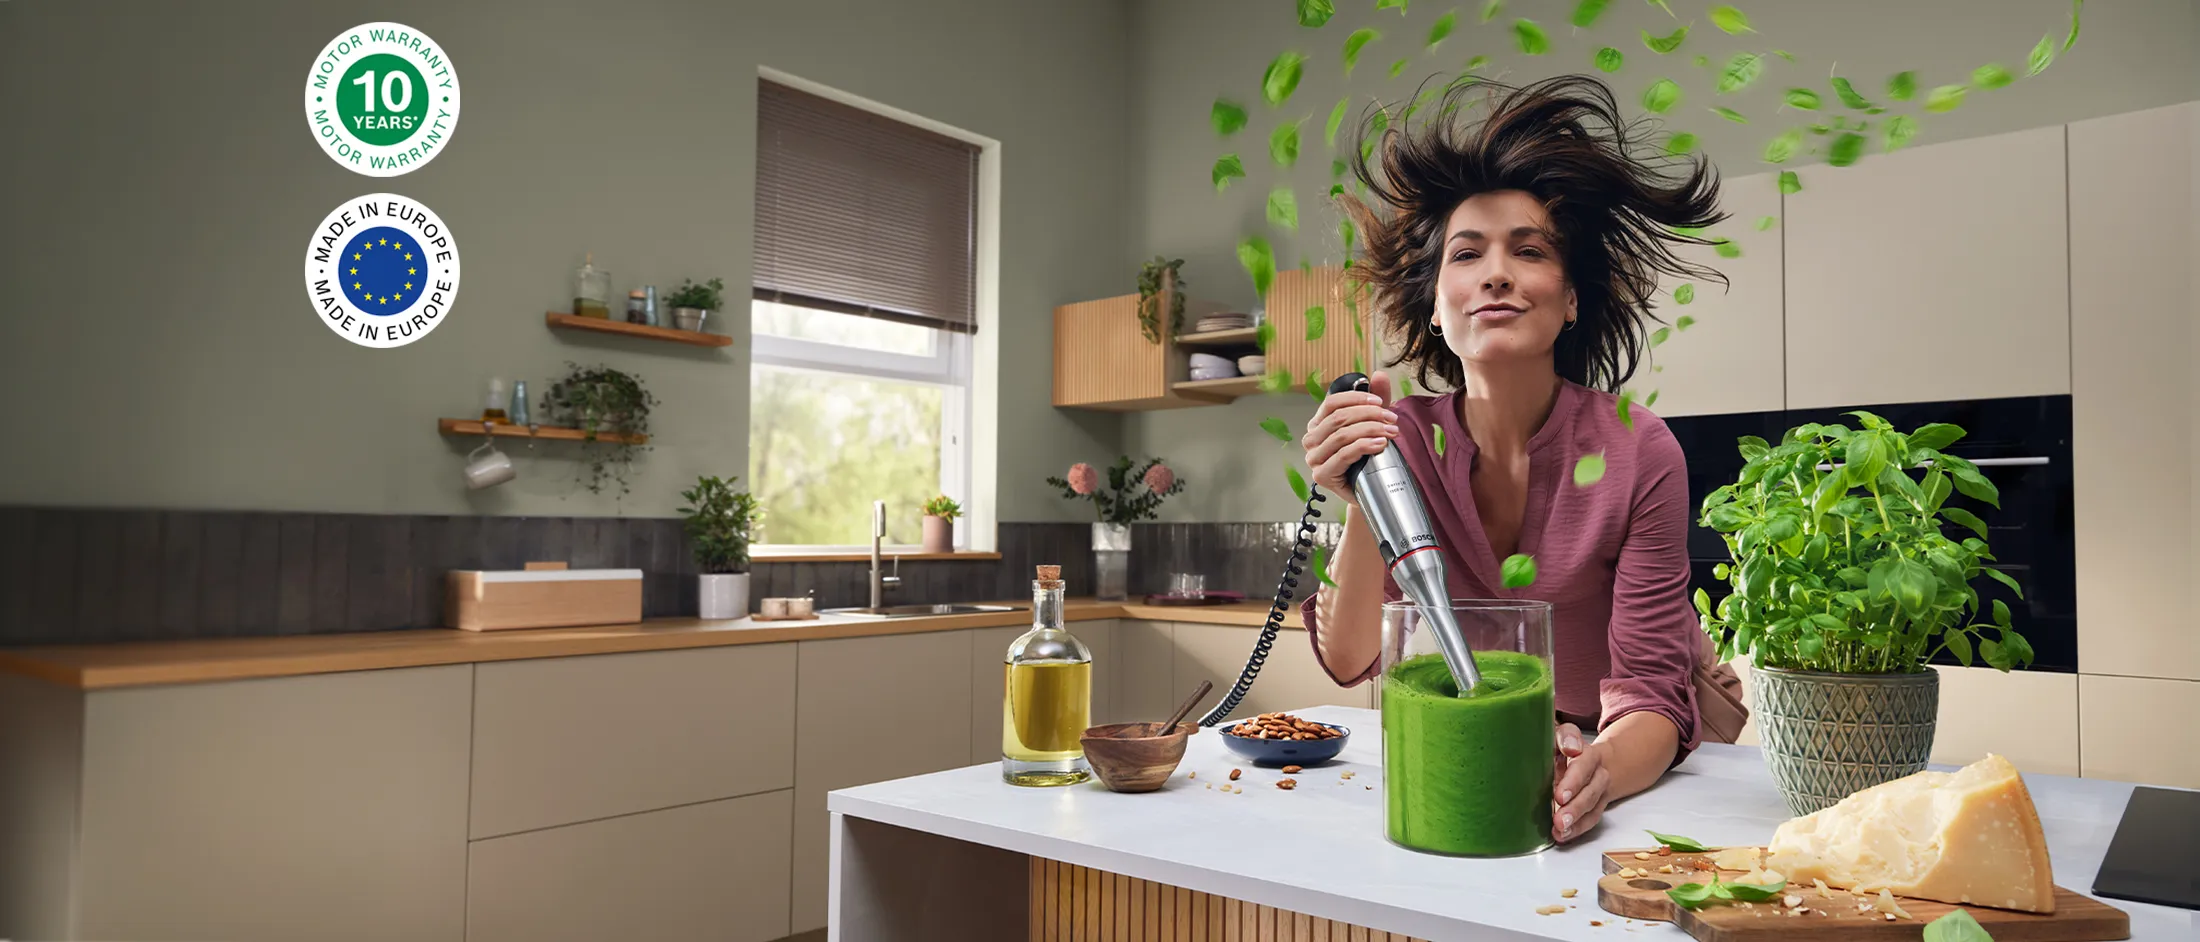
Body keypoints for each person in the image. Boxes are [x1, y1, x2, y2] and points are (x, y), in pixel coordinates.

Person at [1299, 74, 1748, 846]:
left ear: (1569, 297)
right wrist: (1359, 495)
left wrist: (1592, 767)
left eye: (1528, 251)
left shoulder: (1640, 448)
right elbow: (1348, 659)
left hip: (1635, 746)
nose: (1496, 273)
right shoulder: (1401, 438)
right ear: (1437, 308)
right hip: (1492, 738)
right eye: (1466, 255)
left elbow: (1648, 693)